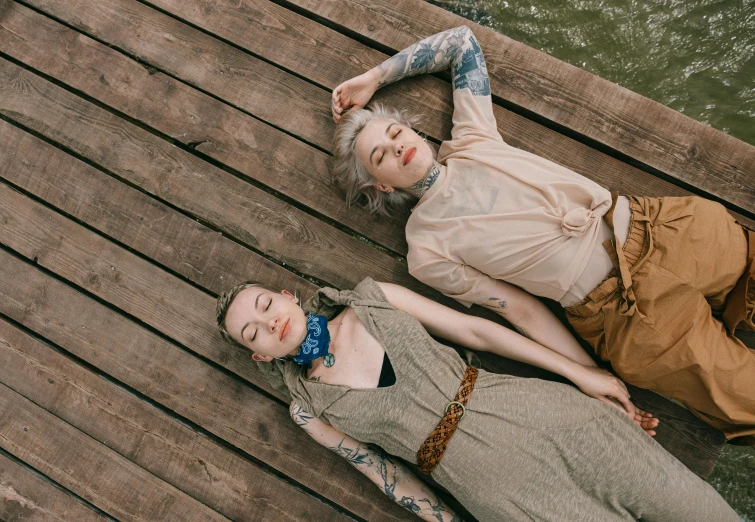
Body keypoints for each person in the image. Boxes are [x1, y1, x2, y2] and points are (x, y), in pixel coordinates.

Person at [330, 25, 755, 443]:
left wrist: (375, 78)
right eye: (379, 154)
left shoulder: (472, 138)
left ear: (412, 130)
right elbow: (520, 309)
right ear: (381, 184)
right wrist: (588, 375)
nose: (395, 145)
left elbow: (461, 43)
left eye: (394, 132)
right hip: (629, 317)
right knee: (745, 395)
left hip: (664, 230)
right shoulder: (426, 250)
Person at [215, 277, 737, 522]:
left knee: (700, 511)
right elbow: (382, 473)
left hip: (543, 417)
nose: (269, 322)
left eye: (264, 305)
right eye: (253, 333)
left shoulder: (374, 298)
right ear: (259, 357)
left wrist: (580, 373)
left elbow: (475, 330)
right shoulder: (309, 410)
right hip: (496, 492)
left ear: (285, 295)